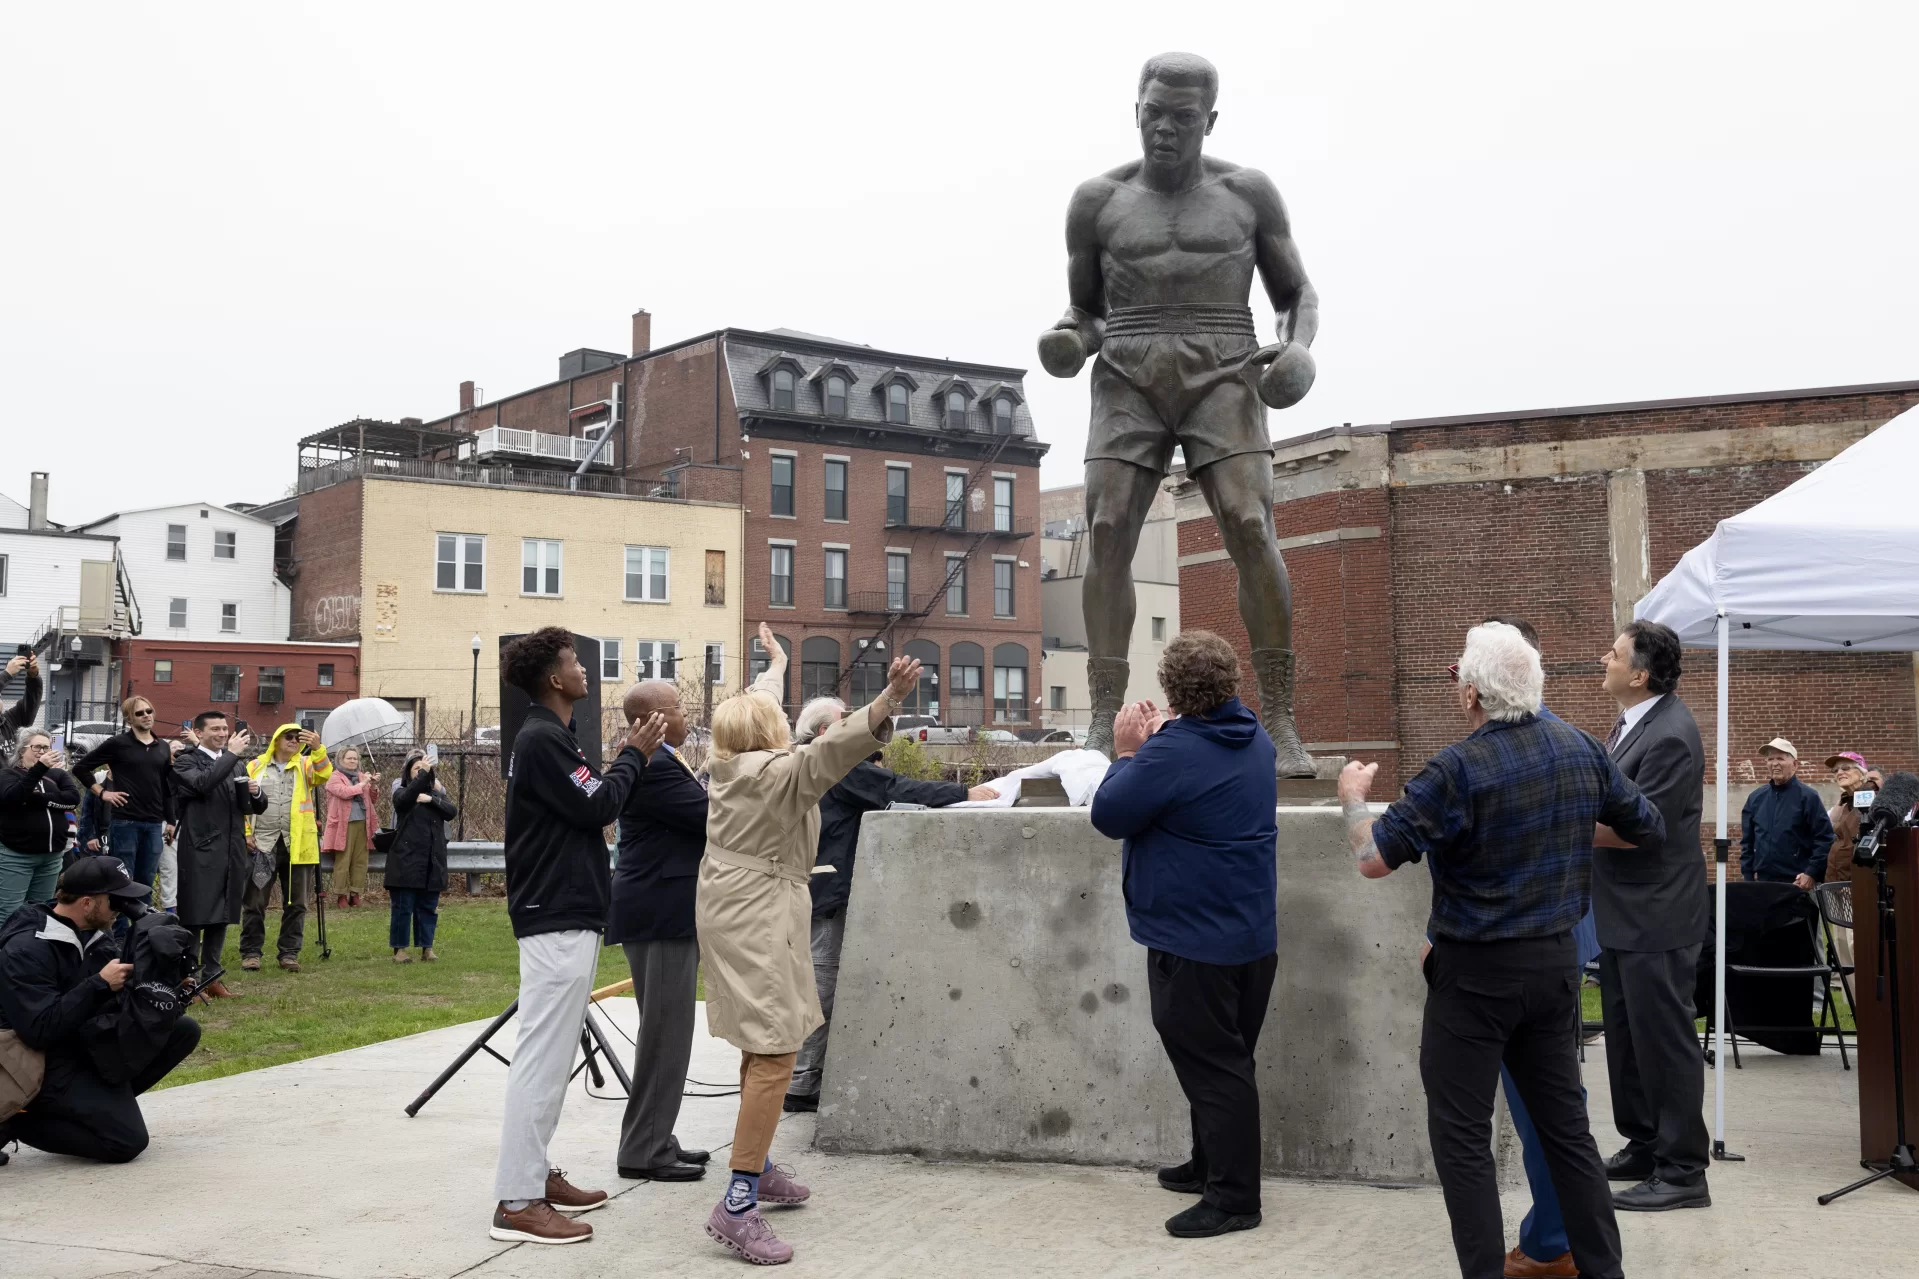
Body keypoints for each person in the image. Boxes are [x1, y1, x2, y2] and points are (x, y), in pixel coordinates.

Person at [1342, 622, 1665, 1279]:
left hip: (1474, 976)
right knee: (1566, 1132)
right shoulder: (1579, 748)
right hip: (1552, 967)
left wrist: (1351, 799)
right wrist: (1570, 824)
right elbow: (1647, 827)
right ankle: (1605, 1271)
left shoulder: (1454, 769)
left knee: (1461, 1138)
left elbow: (1374, 858)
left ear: (1469, 693)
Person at [1038, 52, 1320, 773]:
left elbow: (1294, 296)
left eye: (1182, 118)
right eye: (1152, 113)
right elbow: (1086, 311)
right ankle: (1101, 716)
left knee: (1251, 525)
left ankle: (1282, 718)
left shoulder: (1246, 193)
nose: (1164, 129)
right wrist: (1070, 338)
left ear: (1208, 120)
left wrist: (1298, 350)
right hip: (1128, 368)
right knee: (1105, 530)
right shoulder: (1096, 201)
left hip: (1223, 360)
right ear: (1136, 111)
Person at [696, 623, 918, 1265]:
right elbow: (834, 750)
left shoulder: (732, 762)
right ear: (770, 734)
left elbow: (755, 701)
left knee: (762, 1039)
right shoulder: (776, 774)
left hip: (744, 903)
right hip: (754, 910)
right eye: (779, 719)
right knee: (775, 1048)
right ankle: (737, 1202)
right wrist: (887, 702)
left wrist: (778, 663)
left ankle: (757, 1163)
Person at [1089, 629, 1279, 1240]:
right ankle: (1210, 1166)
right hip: (1250, 937)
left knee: (1216, 1069)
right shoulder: (1255, 738)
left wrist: (1127, 752)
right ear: (1231, 684)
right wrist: (1161, 744)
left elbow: (1110, 814)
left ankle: (1233, 1199)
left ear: (1172, 691)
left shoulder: (1171, 753)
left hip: (1193, 943)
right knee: (1225, 1060)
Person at [488, 627, 665, 1247]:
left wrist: (625, 762)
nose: (584, 670)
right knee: (541, 1058)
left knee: (554, 1054)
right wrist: (634, 756)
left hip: (567, 910)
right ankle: (517, 1201)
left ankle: (535, 1174)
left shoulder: (551, 737)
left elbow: (588, 804)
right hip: (554, 912)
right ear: (553, 680)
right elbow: (599, 808)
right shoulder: (542, 739)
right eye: (573, 663)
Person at [781, 696, 988, 1114]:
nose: (858, 729)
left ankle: (805, 1077)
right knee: (821, 988)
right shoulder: (832, 765)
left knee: (817, 985)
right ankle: (802, 1084)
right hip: (824, 896)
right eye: (847, 722)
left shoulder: (809, 763)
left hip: (815, 891)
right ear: (825, 733)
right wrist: (965, 791)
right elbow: (893, 788)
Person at [1477, 616, 1602, 1277]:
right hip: (1550, 943)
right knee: (1553, 1103)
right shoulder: (1566, 739)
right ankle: (1565, 1236)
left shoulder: (1518, 745)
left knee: (1541, 1106)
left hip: (1520, 951)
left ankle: (1554, 1242)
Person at [1592, 621, 1713, 1215]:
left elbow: (1644, 829)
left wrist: (1560, 822)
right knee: (1628, 1040)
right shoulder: (1630, 724)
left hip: (1658, 917)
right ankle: (1645, 1144)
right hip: (1624, 915)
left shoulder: (1669, 734)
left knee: (1664, 1043)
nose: (1604, 660)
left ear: (1639, 673)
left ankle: (1684, 1169)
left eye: (1613, 655)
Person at [0, 856, 200, 1162]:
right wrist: (98, 984)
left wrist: (164, 985)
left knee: (182, 1031)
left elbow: (117, 1004)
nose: (120, 908)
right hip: (37, 1060)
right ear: (86, 903)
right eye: (114, 901)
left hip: (80, 1042)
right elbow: (37, 1031)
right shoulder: (26, 948)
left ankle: (100, 1106)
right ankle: (15, 1121)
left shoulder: (96, 936)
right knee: (126, 1141)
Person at [606, 679, 714, 1182]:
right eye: (676, 708)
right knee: (665, 1034)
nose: (685, 714)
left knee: (669, 1031)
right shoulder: (653, 767)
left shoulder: (665, 761)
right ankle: (644, 1149)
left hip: (664, 909)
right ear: (649, 719)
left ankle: (656, 1135)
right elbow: (712, 818)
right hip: (659, 912)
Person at [171, 711, 263, 996]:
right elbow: (202, 784)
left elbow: (250, 807)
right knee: (196, 914)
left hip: (231, 848)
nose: (223, 734)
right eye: (215, 729)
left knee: (222, 913)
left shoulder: (235, 765)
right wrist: (231, 756)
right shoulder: (186, 761)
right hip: (201, 848)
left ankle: (212, 978)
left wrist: (256, 793)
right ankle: (189, 981)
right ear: (199, 733)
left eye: (225, 729)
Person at [240, 725, 333, 973]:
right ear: (276, 740)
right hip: (262, 845)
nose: (294, 741)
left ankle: (289, 954)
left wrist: (317, 748)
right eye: (289, 737)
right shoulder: (254, 766)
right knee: (255, 902)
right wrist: (246, 833)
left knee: (297, 903)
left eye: (298, 738)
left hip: (298, 845)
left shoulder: (305, 765)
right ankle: (251, 952)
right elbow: (240, 804)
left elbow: (325, 774)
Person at [71, 696, 176, 903]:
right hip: (125, 823)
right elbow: (80, 768)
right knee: (122, 880)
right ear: (129, 719)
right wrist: (102, 792)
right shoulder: (118, 744)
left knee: (145, 882)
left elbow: (166, 787)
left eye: (149, 711)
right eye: (139, 713)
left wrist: (171, 821)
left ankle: (142, 931)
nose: (146, 716)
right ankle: (118, 933)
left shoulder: (162, 746)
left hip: (154, 824)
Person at [0, 732, 81, 921]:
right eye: (36, 747)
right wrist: (39, 768)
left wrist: (38, 799)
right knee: (8, 913)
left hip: (51, 857)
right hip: (17, 857)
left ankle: (31, 950)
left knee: (40, 912)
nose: (42, 752)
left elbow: (72, 799)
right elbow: (13, 798)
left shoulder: (57, 774)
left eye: (46, 747)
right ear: (21, 751)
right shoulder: (8, 774)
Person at [386, 750, 455, 962]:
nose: (422, 772)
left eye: (424, 769)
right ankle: (400, 950)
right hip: (406, 859)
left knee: (428, 906)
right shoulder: (402, 793)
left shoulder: (434, 796)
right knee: (403, 906)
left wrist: (432, 799)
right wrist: (422, 776)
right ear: (408, 773)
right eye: (416, 769)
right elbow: (404, 801)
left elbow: (451, 811)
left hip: (431, 861)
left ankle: (427, 947)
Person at [1739, 738, 1834, 887]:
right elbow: (1747, 842)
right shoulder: (1756, 798)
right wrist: (1748, 877)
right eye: (1770, 759)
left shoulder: (1808, 797)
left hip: (1797, 882)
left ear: (1795, 764)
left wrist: (1811, 872)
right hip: (1762, 882)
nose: (1774, 763)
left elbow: (1824, 838)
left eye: (1780, 759)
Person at [1823, 752, 1880, 972]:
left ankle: (1866, 1005)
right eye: (1836, 770)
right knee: (1841, 949)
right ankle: (1853, 1004)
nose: (1840, 773)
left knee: (1856, 942)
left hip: (1856, 883)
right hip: (1836, 882)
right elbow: (1830, 825)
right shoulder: (1846, 802)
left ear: (1862, 772)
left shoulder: (1870, 797)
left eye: (1846, 768)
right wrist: (1843, 797)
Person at [322, 746, 381, 907]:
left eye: (355, 758)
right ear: (341, 760)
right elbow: (345, 792)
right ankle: (341, 895)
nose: (353, 761)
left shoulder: (361, 777)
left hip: (363, 823)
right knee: (343, 860)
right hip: (343, 825)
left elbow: (372, 799)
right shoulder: (334, 777)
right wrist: (363, 783)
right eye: (349, 758)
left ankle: (355, 894)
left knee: (360, 860)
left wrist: (373, 785)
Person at [0, 652, 43, 768]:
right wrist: (7, 674)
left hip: (16, 784)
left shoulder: (10, 721)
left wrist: (33, 676)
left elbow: (31, 702)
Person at [76, 766, 114, 856]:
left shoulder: (131, 782)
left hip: (121, 838)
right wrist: (90, 836)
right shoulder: (98, 780)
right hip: (98, 838)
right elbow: (86, 812)